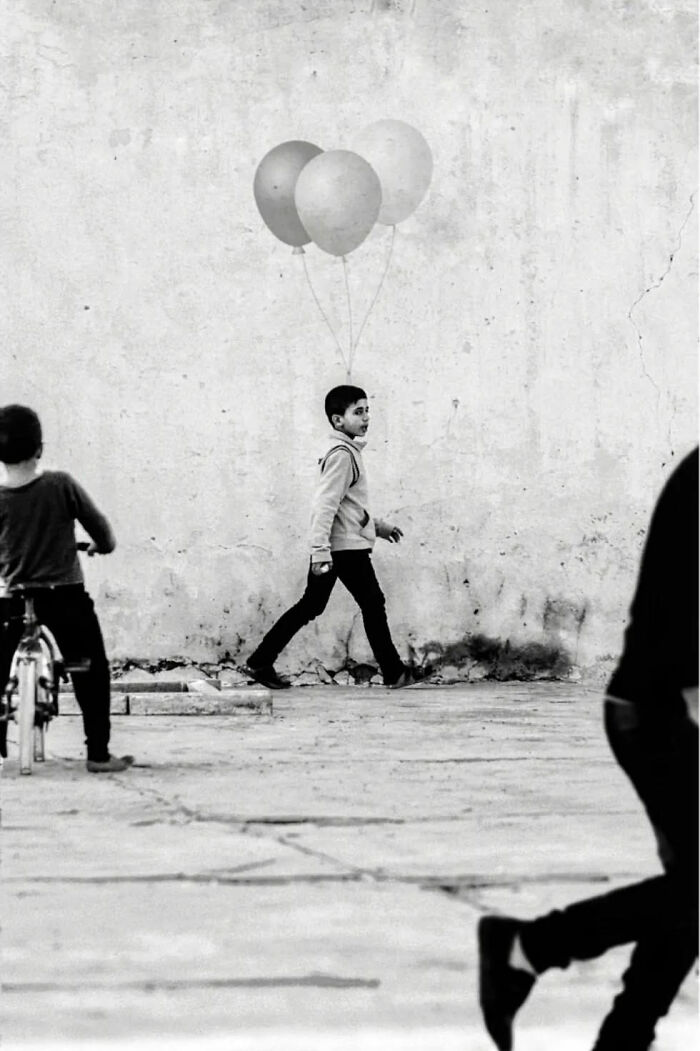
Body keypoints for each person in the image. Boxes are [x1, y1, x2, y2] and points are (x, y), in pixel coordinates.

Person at [478, 446, 699, 1051]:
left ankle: (622, 1036)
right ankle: (527, 946)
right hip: (665, 712)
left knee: (690, 894)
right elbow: (680, 622)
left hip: (659, 708)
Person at [246, 384, 425, 690]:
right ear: (338, 420)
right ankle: (394, 672)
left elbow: (349, 507)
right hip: (342, 550)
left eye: (367, 410)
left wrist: (378, 527)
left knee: (314, 606)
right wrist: (319, 552)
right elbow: (325, 505)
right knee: (370, 604)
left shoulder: (348, 453)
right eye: (358, 412)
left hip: (341, 546)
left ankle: (260, 661)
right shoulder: (343, 455)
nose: (366, 417)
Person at [0, 404, 132, 773]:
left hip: (13, 599)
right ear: (39, 448)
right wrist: (101, 547)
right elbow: (101, 530)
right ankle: (98, 753)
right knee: (91, 667)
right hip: (64, 597)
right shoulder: (60, 485)